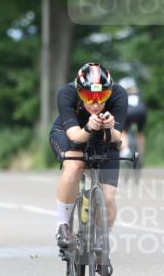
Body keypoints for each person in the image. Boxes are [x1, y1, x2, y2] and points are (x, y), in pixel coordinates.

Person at [49, 62, 127, 261]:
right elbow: (75, 136)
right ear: (78, 91)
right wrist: (89, 128)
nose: (95, 103)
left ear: (109, 92)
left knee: (108, 197)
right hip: (70, 133)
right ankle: (63, 226)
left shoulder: (119, 94)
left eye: (102, 97)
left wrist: (109, 129)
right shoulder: (66, 93)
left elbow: (118, 136)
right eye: (88, 97)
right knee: (75, 165)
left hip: (103, 138)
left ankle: (102, 241)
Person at [118, 77, 147, 163]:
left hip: (129, 112)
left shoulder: (122, 94)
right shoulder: (138, 93)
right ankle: (141, 155)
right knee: (140, 133)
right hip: (142, 111)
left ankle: (125, 150)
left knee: (123, 131)